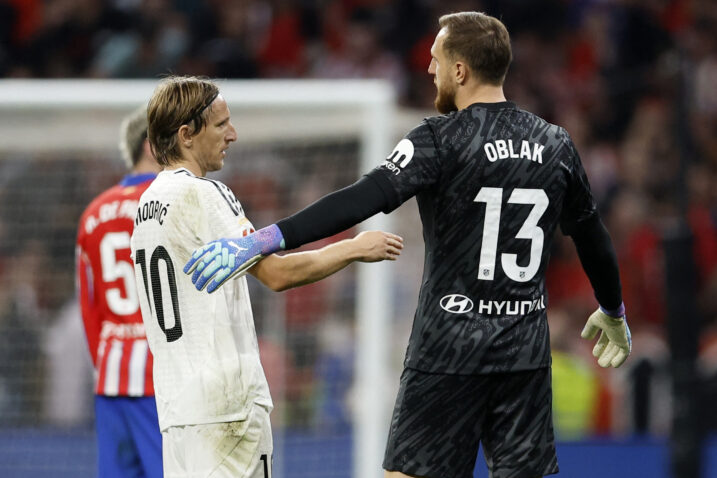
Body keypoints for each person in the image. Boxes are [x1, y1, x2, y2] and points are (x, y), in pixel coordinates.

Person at [185, 12, 633, 478]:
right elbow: (592, 235)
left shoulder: (441, 139)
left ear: (460, 70)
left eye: (436, 58)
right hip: (523, 354)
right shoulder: (556, 143)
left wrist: (266, 238)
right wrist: (613, 308)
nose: (428, 69)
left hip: (448, 350)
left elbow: (362, 198)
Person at [130, 75, 403, 478]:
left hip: (177, 410)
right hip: (228, 409)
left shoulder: (146, 205)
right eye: (221, 125)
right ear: (187, 135)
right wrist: (354, 248)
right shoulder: (205, 194)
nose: (233, 134)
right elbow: (275, 274)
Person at [76, 106, 163, 478]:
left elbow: (88, 306)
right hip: (161, 375)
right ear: (152, 146)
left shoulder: (93, 212)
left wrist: (107, 359)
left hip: (112, 372)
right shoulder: (169, 204)